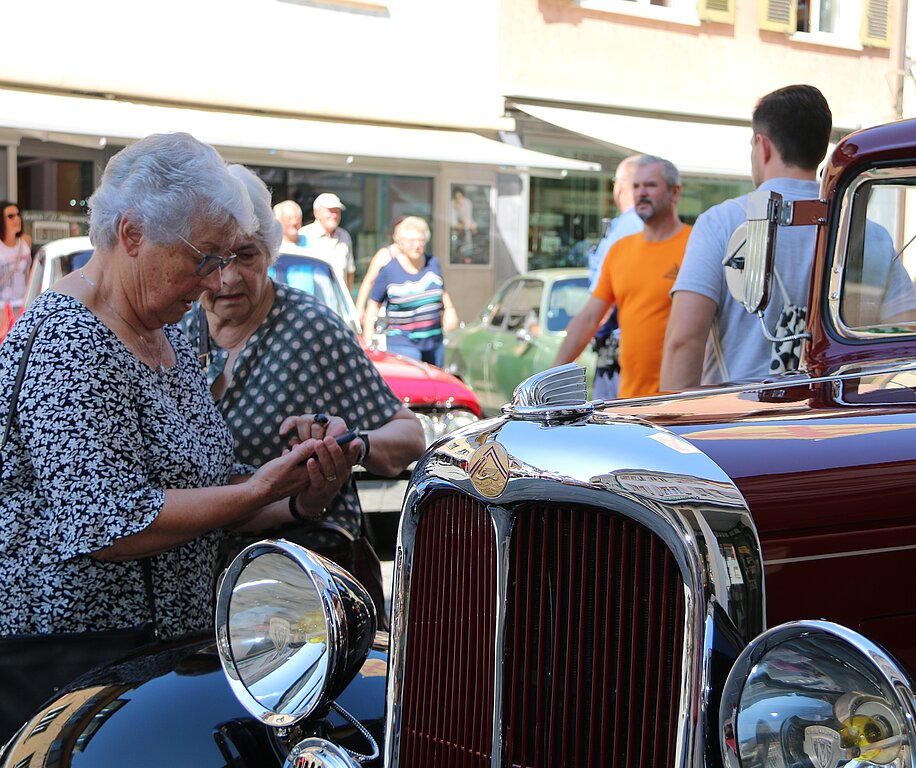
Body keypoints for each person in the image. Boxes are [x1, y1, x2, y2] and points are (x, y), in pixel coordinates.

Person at [0, 133, 355, 741]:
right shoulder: (69, 339)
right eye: (205, 256)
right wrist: (256, 490)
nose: (216, 279)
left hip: (149, 660)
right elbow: (109, 524)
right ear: (133, 234)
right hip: (70, 671)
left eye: (227, 258)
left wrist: (297, 489)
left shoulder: (162, 334)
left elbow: (201, 497)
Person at [184, 165, 425, 622]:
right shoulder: (175, 330)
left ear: (272, 252)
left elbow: (409, 436)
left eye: (246, 256)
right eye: (214, 260)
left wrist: (352, 444)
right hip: (199, 592)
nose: (228, 279)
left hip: (299, 591)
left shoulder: (309, 327)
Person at [660, 85, 833, 391]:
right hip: (837, 422)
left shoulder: (721, 222)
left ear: (762, 145)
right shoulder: (864, 230)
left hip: (738, 424)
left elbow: (683, 340)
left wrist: (678, 425)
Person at [553, 155, 690, 398]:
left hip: (680, 403)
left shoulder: (695, 245)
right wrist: (551, 378)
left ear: (674, 192)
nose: (641, 193)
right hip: (629, 400)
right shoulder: (620, 250)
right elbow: (588, 319)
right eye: (636, 186)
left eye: (651, 185)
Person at [364, 216, 458, 367]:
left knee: (435, 387)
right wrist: (368, 341)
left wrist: (450, 310)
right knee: (414, 387)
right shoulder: (389, 271)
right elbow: (373, 305)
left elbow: (441, 290)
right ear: (400, 244)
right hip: (402, 342)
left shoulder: (433, 263)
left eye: (420, 240)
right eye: (411, 241)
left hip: (434, 341)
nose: (416, 245)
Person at [587, 156, 644, 400]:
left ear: (619, 187)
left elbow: (603, 303)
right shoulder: (651, 227)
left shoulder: (622, 230)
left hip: (618, 361)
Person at [354, 215, 406, 329]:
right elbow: (369, 281)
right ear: (394, 235)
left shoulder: (418, 259)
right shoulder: (385, 254)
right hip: (384, 314)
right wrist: (360, 307)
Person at [300, 192, 356, 289]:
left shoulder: (344, 236)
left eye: (337, 211)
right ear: (317, 212)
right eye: (330, 211)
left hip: (337, 301)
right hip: (313, 300)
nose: (334, 215)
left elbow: (349, 273)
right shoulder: (304, 235)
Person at [0, 201, 32, 316]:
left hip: (23, 305)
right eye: (10, 216)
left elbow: (29, 274)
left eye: (18, 215)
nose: (17, 219)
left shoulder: (26, 241)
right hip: (2, 307)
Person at [450, 186, 477, 260]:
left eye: (460, 197)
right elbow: (453, 224)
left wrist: (467, 224)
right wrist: (457, 209)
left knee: (467, 243)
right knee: (455, 245)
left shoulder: (467, 203)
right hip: (455, 232)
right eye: (457, 197)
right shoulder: (451, 204)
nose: (459, 200)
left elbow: (468, 219)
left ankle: (467, 256)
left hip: (466, 230)